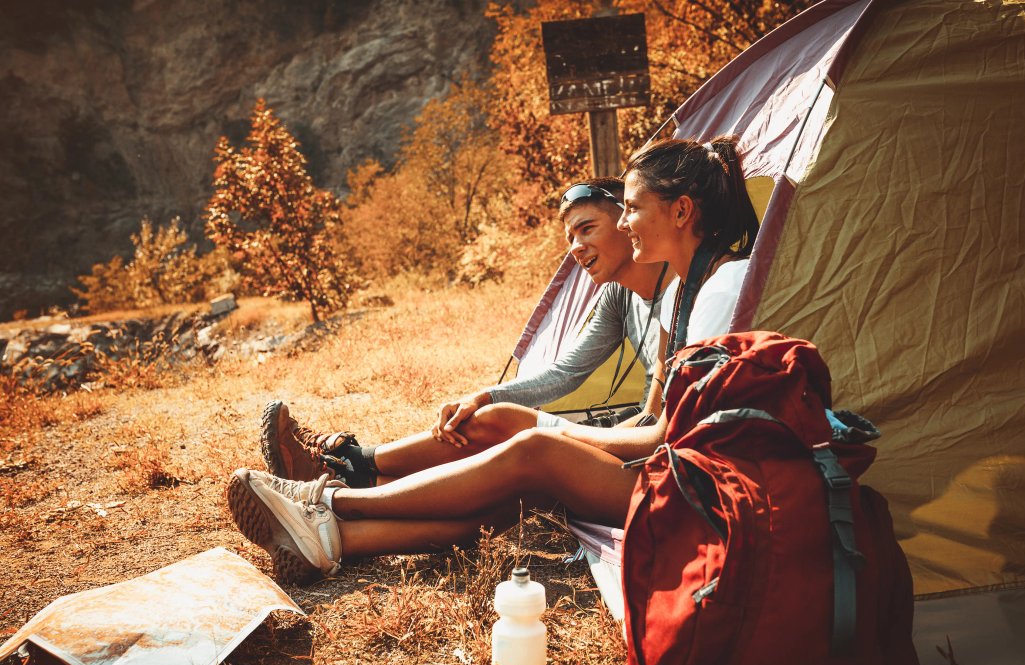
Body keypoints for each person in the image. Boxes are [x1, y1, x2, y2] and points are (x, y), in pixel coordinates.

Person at [226, 136, 760, 585]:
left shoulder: (719, 291)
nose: (626, 222)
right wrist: (525, 415)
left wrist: (551, 431)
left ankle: (332, 500)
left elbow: (668, 435)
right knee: (520, 477)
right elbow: (644, 410)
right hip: (667, 469)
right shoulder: (686, 293)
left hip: (687, 490)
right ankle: (332, 538)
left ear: (681, 211)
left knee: (532, 446)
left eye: (631, 210)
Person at [262, 177, 672, 489]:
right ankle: (350, 471)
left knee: (507, 433)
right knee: (490, 418)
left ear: (626, 221)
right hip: (632, 429)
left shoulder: (686, 294)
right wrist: (484, 393)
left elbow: (661, 420)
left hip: (646, 443)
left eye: (586, 229)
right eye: (570, 237)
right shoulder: (620, 295)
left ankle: (346, 468)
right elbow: (566, 374)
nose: (575, 248)